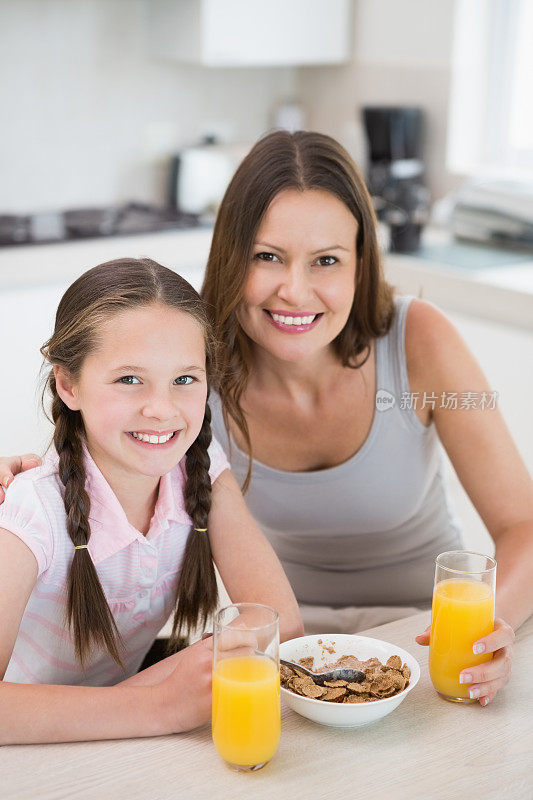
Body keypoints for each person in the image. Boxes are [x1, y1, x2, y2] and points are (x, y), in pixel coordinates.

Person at [2, 133, 532, 708]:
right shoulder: (191, 357)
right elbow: (103, 444)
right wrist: (25, 477)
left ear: (362, 265)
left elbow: (524, 525)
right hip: (279, 652)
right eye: (266, 257)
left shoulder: (419, 339)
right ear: (232, 258)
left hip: (419, 638)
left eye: (326, 260)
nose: (294, 292)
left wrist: (479, 632)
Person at [0, 257, 302, 746]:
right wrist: (157, 705)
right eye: (128, 379)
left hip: (119, 743)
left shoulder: (198, 466)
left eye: (184, 380)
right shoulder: (30, 512)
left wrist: (149, 703)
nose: (161, 410)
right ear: (68, 384)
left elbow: (278, 620)